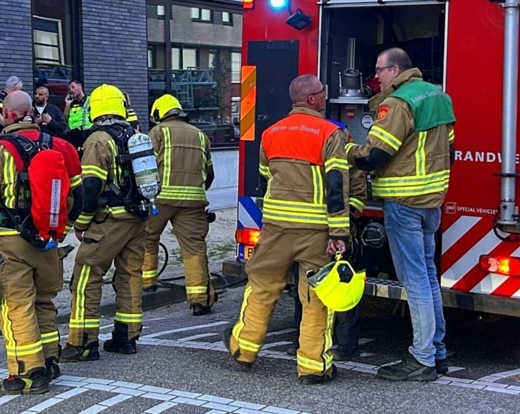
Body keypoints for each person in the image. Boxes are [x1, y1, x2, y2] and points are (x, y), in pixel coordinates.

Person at [223, 74, 350, 385]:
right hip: (315, 230)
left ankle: (244, 348)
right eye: (322, 92)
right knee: (315, 297)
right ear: (311, 99)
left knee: (262, 285)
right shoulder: (331, 133)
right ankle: (313, 367)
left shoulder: (271, 133)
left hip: (276, 227)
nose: (325, 96)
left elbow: (266, 175)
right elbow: (336, 186)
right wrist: (339, 233)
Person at [0, 90, 83, 395]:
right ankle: (50, 360)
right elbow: (80, 198)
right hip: (49, 242)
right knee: (43, 302)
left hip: (9, 244)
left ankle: (28, 373)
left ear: (9, 115)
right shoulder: (63, 147)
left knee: (17, 307)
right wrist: (61, 229)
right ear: (32, 112)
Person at [347, 47, 455, 382]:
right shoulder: (438, 95)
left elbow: (375, 154)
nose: (376, 76)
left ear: (395, 70)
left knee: (415, 282)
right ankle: (436, 352)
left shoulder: (396, 104)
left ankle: (422, 359)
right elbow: (449, 147)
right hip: (431, 202)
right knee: (427, 275)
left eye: (379, 70)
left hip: (403, 202)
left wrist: (346, 150)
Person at [62, 85, 149, 361]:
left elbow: (90, 186)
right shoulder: (134, 135)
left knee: (86, 276)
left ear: (95, 110)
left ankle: (82, 343)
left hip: (110, 220)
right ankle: (127, 336)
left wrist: (81, 223)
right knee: (130, 275)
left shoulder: (99, 140)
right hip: (137, 218)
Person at [289, 125, 367, 361]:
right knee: (304, 288)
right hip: (310, 230)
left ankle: (346, 344)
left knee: (340, 287)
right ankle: (302, 340)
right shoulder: (314, 150)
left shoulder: (342, 149)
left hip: (336, 231)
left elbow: (357, 193)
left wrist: (345, 222)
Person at [141, 94, 216, 314]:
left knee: (146, 238)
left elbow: (146, 169)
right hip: (193, 202)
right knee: (194, 248)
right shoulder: (201, 135)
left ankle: (147, 284)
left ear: (159, 113)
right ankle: (199, 300)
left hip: (160, 199)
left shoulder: (157, 132)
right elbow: (209, 173)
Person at [0, 76, 23, 143]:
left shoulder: (10, 99)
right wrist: (8, 126)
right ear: (15, 89)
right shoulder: (1, 98)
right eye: (20, 90)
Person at [65, 79, 90, 148]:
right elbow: (65, 118)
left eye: (73, 87)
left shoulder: (89, 100)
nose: (71, 90)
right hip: (73, 137)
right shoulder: (71, 103)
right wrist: (67, 104)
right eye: (69, 89)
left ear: (80, 86)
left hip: (86, 135)